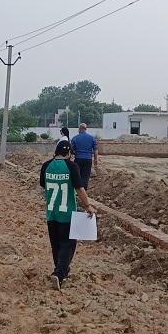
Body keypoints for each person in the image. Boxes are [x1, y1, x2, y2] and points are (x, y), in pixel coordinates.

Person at [39, 140, 95, 290]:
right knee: (68, 245)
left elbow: (43, 185)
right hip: (67, 214)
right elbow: (80, 189)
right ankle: (59, 273)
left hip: (51, 213)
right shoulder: (72, 166)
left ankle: (61, 269)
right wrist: (87, 206)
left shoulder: (46, 166)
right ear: (69, 153)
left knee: (56, 244)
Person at [70, 123, 99, 189]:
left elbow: (71, 150)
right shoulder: (92, 138)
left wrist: (71, 156)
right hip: (88, 160)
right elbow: (95, 150)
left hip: (78, 159)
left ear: (80, 129)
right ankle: (84, 190)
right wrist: (95, 159)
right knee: (85, 176)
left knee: (78, 175)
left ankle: (78, 189)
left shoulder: (75, 138)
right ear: (85, 129)